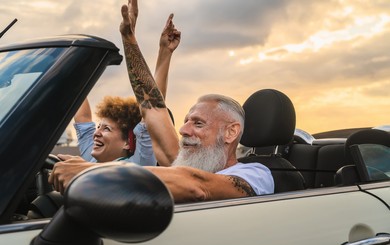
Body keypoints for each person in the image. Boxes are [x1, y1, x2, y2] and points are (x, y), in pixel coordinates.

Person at [49, 0, 274, 203]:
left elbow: (196, 185)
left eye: (198, 123)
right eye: (186, 121)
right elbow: (153, 108)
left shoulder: (255, 175)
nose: (183, 129)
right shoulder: (180, 165)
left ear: (231, 132)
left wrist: (91, 172)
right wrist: (129, 39)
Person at [71, 11, 181, 165]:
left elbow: (152, 106)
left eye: (106, 129)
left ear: (128, 142)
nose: (96, 133)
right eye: (99, 127)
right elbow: (82, 117)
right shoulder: (90, 155)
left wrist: (165, 52)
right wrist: (71, 68)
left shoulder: (138, 164)